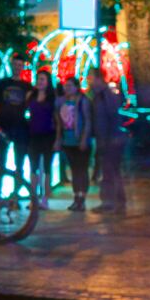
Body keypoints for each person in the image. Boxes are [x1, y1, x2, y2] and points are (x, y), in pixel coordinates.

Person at [81, 67, 128, 216]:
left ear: (98, 78)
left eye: (90, 77)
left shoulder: (106, 95)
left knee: (111, 171)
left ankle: (113, 203)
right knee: (110, 172)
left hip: (110, 140)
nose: (88, 79)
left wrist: (112, 137)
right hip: (106, 139)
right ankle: (112, 202)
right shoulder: (98, 95)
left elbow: (113, 116)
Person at [0, 69, 32, 182]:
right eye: (16, 64)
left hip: (21, 127)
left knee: (19, 162)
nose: (17, 67)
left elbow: (30, 105)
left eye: (20, 65)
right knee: (0, 161)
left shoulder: (27, 85)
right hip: (4, 126)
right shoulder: (1, 83)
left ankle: (15, 194)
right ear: (12, 65)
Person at [56, 74, 89, 210]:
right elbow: (59, 121)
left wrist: (83, 138)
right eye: (66, 85)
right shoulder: (62, 101)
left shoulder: (83, 101)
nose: (67, 88)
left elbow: (87, 120)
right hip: (68, 141)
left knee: (82, 169)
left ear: (76, 87)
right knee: (74, 170)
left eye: (70, 85)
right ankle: (76, 197)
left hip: (79, 140)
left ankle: (82, 198)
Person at [23, 70, 58, 195]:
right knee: (33, 166)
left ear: (48, 82)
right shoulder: (31, 96)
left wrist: (58, 138)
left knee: (47, 166)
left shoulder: (52, 97)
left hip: (48, 135)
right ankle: (34, 195)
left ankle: (45, 196)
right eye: (38, 79)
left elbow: (57, 118)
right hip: (33, 135)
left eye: (42, 79)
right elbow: (26, 114)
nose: (40, 82)